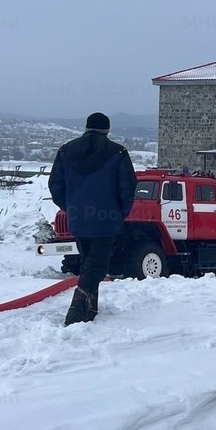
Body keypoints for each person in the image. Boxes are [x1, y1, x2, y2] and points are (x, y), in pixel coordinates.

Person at [49, 112, 137, 326]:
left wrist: (69, 208)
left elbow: (55, 185)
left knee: (89, 262)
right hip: (107, 220)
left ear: (87, 127)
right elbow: (128, 186)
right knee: (96, 265)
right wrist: (120, 213)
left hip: (78, 219)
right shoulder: (117, 152)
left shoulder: (65, 151)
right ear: (107, 129)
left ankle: (91, 308)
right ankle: (76, 310)